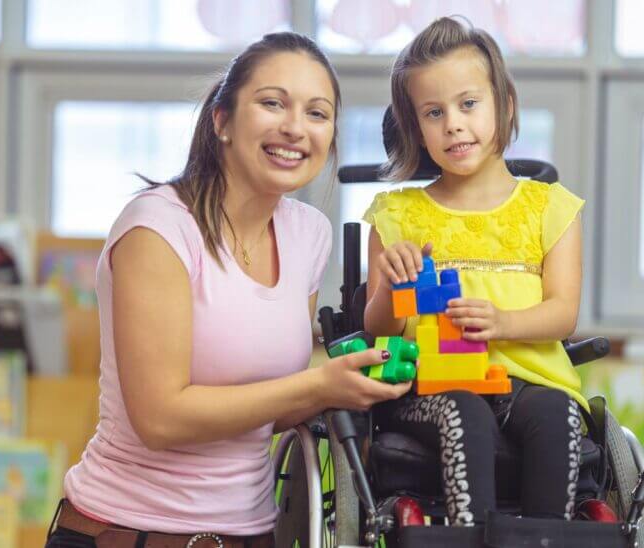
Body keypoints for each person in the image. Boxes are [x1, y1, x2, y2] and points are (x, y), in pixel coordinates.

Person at [46, 32, 411, 548]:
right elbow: (160, 418)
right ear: (222, 121)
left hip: (251, 534)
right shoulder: (159, 228)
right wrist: (317, 387)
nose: (294, 128)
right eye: (272, 103)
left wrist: (353, 384)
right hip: (128, 532)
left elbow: (268, 408)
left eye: (317, 113)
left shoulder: (308, 233)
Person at [363, 17, 585, 527]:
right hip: (431, 388)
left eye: (468, 104)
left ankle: (546, 540)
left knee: (558, 415)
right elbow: (378, 331)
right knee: (464, 412)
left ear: (502, 104)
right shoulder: (396, 215)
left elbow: (563, 314)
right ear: (415, 127)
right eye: (433, 113)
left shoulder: (550, 207)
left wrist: (503, 323)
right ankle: (469, 539)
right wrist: (395, 287)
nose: (454, 124)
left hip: (529, 383)